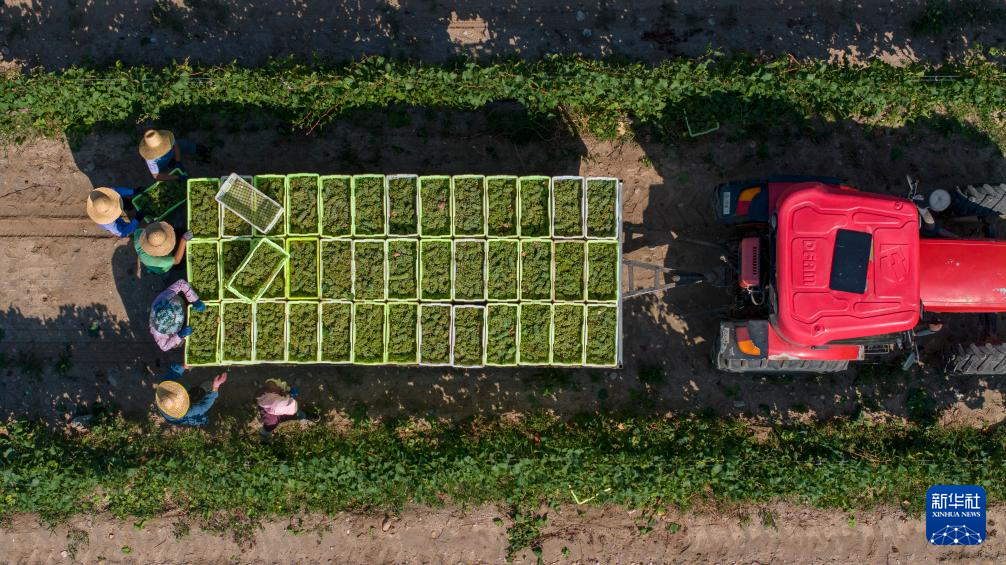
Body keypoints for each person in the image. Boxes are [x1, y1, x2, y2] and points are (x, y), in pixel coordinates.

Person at [155, 364, 228, 427]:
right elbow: (205, 406)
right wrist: (215, 386)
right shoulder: (188, 412)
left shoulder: (164, 398)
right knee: (197, 418)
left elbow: (173, 373)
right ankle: (204, 422)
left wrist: (183, 366)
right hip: (179, 419)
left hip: (168, 414)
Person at [150, 279, 205, 351]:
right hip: (174, 333)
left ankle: (185, 303)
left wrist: (195, 300)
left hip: (177, 303)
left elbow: (181, 283)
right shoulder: (157, 332)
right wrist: (179, 336)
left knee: (182, 298)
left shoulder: (165, 297)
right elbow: (164, 347)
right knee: (176, 344)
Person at [139, 129, 209, 181]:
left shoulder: (168, 138)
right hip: (162, 163)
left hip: (172, 153)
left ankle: (202, 150)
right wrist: (177, 177)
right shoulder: (150, 159)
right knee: (163, 170)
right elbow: (156, 176)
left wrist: (178, 161)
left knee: (184, 145)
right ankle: (170, 163)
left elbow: (176, 146)